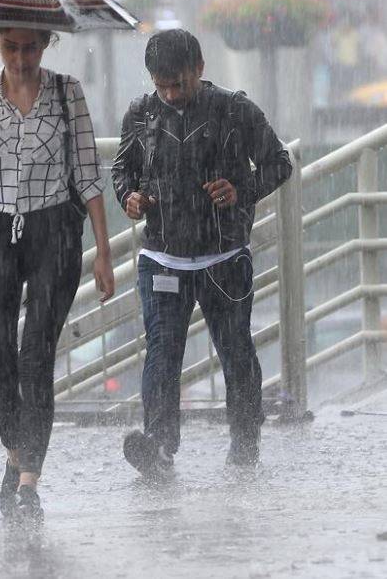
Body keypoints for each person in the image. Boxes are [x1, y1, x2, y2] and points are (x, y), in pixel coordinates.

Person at [0, 27, 115, 522]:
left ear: (46, 45)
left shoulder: (65, 92)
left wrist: (103, 251)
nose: (21, 58)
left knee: (36, 354)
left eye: (30, 47)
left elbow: (87, 171)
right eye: (11, 47)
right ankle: (17, 456)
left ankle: (28, 483)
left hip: (53, 230)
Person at [111, 29, 291, 474]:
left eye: (179, 84)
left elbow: (279, 162)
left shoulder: (234, 109)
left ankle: (244, 441)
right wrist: (128, 198)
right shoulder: (141, 114)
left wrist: (242, 188)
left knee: (235, 350)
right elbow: (122, 171)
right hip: (162, 258)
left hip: (224, 257)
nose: (171, 94)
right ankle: (158, 444)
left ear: (200, 69)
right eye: (161, 86)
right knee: (162, 352)